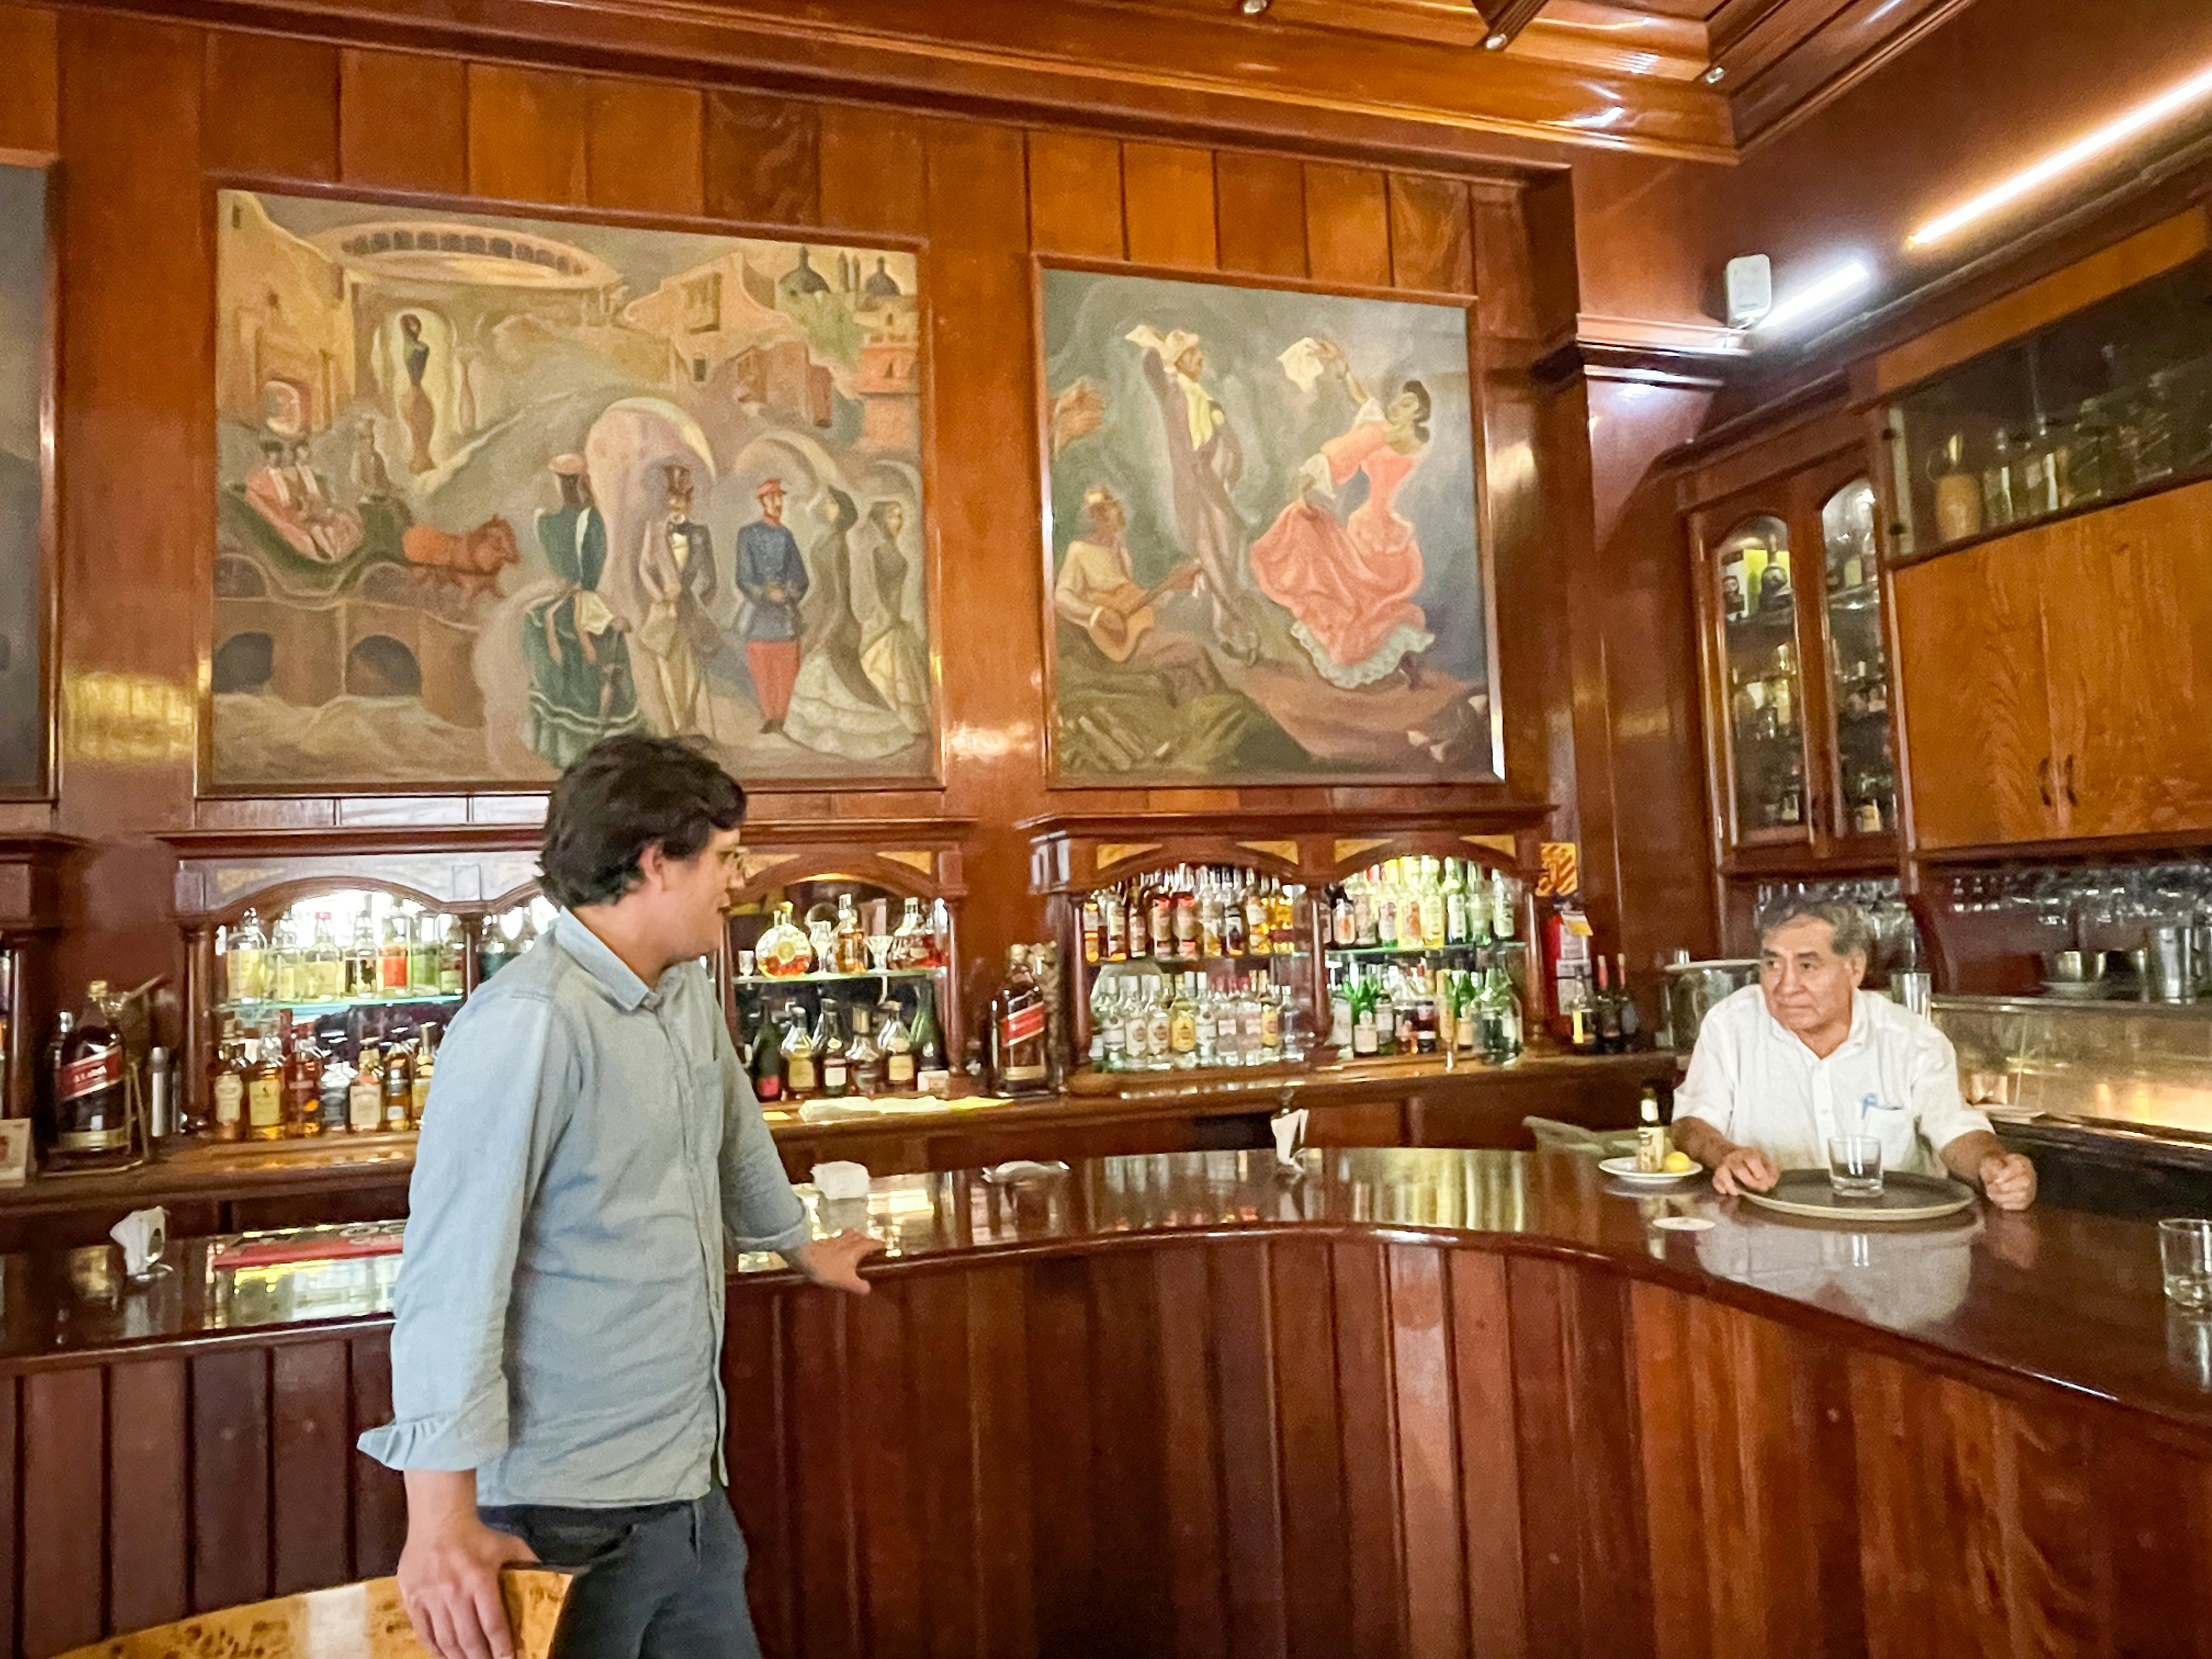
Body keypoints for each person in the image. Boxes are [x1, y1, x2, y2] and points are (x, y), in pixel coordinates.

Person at [359, 734, 882, 1659]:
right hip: (563, 1515)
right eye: (724, 856)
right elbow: (450, 1274)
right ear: (654, 862)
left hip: (688, 1489)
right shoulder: (530, 1022)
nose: (738, 879)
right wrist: (439, 1517)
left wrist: (797, 1242)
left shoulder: (679, 986)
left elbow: (731, 1129)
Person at [1670, 901, 2038, 1211]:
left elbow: (1955, 1132)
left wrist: (1996, 1167)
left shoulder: (1911, 1040)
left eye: (1807, 966)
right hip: (1768, 1228)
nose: (1785, 985)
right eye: (1772, 965)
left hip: (1891, 1241)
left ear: (1855, 968)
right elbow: (1691, 1124)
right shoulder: (1732, 1024)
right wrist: (1726, 1154)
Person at [1247, 341, 1436, 690]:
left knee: (1370, 601)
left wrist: (1313, 475)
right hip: (1371, 525)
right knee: (1358, 597)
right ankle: (1387, 669)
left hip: (1382, 529)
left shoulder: (1392, 434)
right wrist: (1344, 368)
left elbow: (1352, 442)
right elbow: (1363, 405)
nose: (1398, 404)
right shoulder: (1389, 431)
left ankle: (1396, 668)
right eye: (1399, 399)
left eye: (1407, 402)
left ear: (1417, 411)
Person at [1126, 326, 1260, 663]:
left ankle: (1228, 623)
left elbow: (1228, 444)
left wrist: (1229, 470)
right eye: (1192, 355)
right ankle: (1233, 627)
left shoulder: (1206, 398)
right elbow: (1152, 369)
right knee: (1212, 553)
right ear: (1178, 363)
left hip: (1211, 483)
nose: (1201, 359)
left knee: (1228, 550)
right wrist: (1162, 348)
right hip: (1193, 485)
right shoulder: (1174, 394)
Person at [521, 455, 642, 769]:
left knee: (537, 619)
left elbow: (565, 569)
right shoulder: (591, 519)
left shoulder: (546, 522)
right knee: (599, 635)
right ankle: (594, 733)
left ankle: (560, 734)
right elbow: (592, 569)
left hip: (564, 597)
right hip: (580, 596)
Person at [781, 488, 916, 761]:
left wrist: (828, 626)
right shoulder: (827, 538)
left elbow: (839, 593)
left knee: (844, 678)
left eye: (832, 503)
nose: (826, 506)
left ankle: (882, 730)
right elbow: (820, 587)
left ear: (843, 511)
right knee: (824, 676)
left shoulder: (838, 543)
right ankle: (824, 735)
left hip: (838, 616)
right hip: (824, 611)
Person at [1051, 485, 1214, 700]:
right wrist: (1097, 614)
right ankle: (1218, 703)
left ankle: (1207, 708)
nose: (1117, 514)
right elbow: (1061, 596)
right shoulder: (1079, 551)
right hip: (1113, 644)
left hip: (1135, 631)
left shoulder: (1121, 550)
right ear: (1097, 516)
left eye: (1115, 508)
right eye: (1109, 510)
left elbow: (1132, 602)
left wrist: (1171, 588)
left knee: (1192, 656)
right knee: (1195, 651)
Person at [635, 464, 720, 740]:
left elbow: (709, 574)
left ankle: (690, 722)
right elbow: (644, 569)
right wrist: (660, 597)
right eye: (672, 501)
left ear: (689, 501)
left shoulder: (699, 533)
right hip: (665, 611)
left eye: (682, 500)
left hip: (690, 609)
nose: (677, 506)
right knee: (669, 669)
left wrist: (700, 596)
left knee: (692, 670)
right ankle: (676, 728)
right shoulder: (654, 530)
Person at [733, 477, 808, 734]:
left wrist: (786, 594)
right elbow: (743, 578)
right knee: (763, 666)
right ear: (763, 501)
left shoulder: (787, 536)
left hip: (785, 613)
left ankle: (784, 717)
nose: (777, 503)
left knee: (787, 667)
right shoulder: (747, 535)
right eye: (772, 498)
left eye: (780, 498)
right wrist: (766, 594)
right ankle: (770, 716)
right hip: (758, 614)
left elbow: (801, 578)